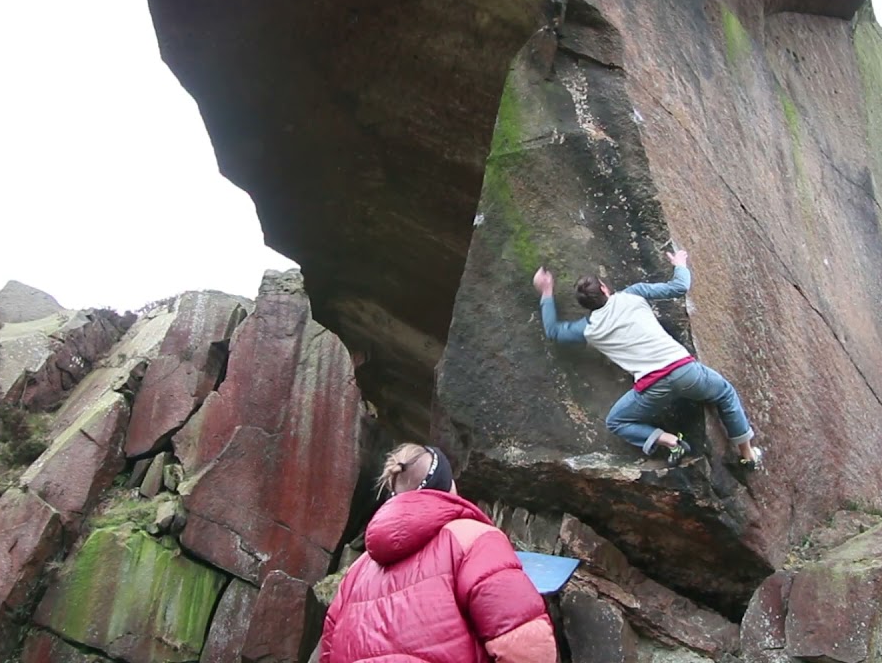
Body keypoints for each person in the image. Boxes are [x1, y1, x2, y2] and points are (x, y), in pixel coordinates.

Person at [320, 443, 558, 663]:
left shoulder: (357, 571)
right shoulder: (473, 540)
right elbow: (525, 645)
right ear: (446, 485)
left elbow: (328, 653)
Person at [533, 249, 762, 469]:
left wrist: (546, 292)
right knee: (724, 393)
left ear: (585, 306)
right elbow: (679, 286)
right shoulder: (633, 294)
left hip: (653, 386)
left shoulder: (589, 329)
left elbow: (553, 331)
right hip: (684, 371)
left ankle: (671, 441)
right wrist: (680, 264)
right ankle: (747, 454)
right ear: (604, 288)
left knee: (617, 421)